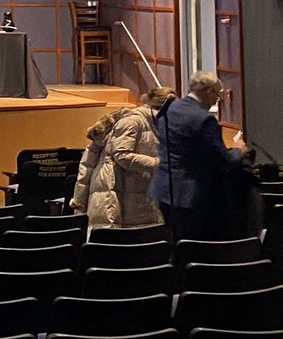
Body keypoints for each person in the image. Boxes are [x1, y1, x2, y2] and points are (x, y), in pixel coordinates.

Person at [149, 71, 247, 241]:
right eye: (218, 94)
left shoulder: (170, 108)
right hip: (191, 195)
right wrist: (239, 150)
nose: (218, 100)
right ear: (208, 91)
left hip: (165, 189)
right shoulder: (203, 119)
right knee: (194, 246)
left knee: (175, 244)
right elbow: (223, 160)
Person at [71, 86, 175, 229]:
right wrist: (158, 163)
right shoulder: (133, 122)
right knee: (115, 238)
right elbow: (122, 155)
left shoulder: (154, 123)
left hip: (134, 187)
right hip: (114, 185)